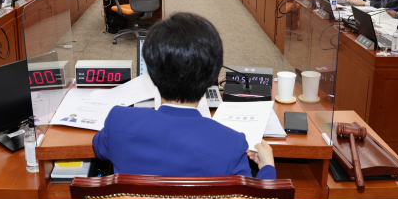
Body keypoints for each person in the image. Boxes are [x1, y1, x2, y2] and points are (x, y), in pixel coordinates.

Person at [92, 12, 276, 180]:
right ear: (213, 75)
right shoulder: (232, 144)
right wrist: (267, 167)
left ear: (152, 72)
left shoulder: (118, 120)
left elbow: (100, 147)